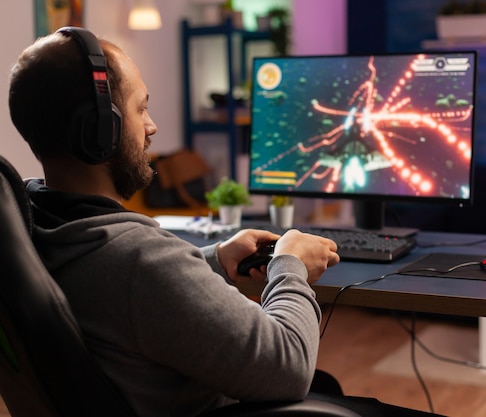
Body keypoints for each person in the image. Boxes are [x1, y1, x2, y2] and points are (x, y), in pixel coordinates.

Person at [9, 28, 438, 417]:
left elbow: (127, 293)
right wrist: (291, 268)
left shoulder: (31, 226)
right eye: (141, 109)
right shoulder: (139, 260)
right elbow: (287, 367)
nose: (153, 126)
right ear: (99, 130)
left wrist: (210, 259)